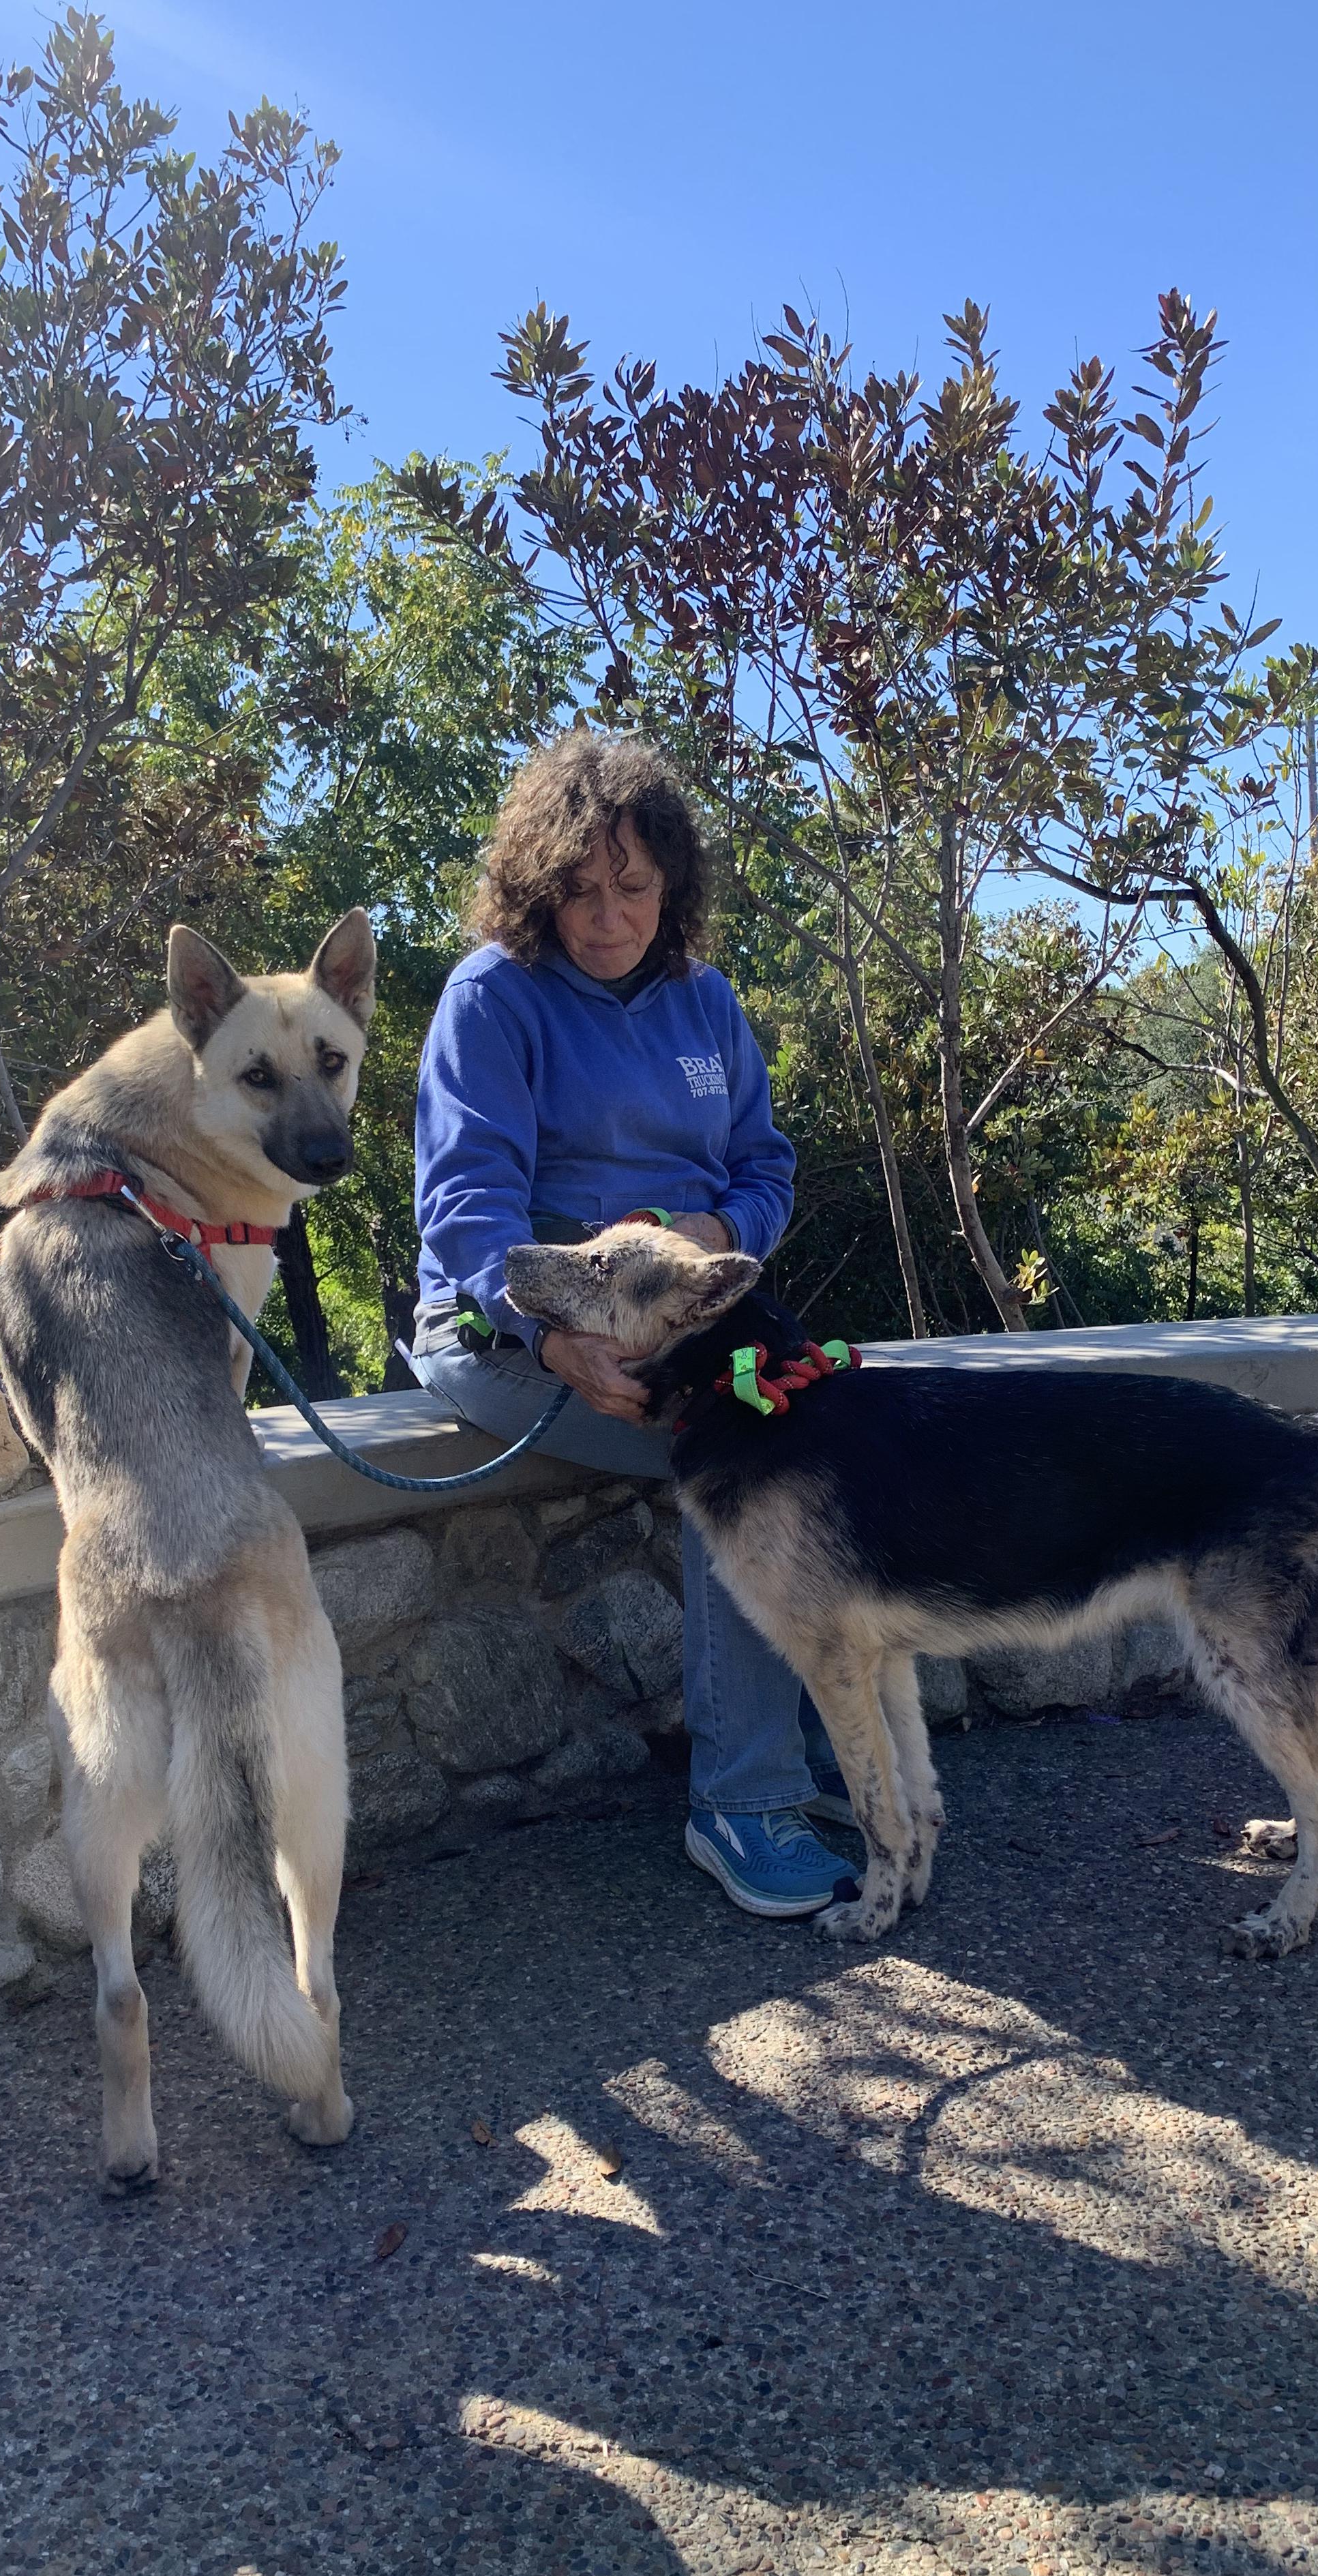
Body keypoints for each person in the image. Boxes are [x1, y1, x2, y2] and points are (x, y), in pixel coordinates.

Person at [409, 731, 859, 1918]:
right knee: (740, 1452)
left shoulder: (706, 1002)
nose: (609, 918)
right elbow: (466, 1209)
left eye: (635, 887)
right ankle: (744, 1802)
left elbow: (765, 1167)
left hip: (680, 1319)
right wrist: (554, 1341)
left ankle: (812, 1749)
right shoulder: (491, 999)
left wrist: (719, 1231)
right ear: (537, 887)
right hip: (507, 1335)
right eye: (579, 890)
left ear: (673, 886)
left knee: (828, 1426)